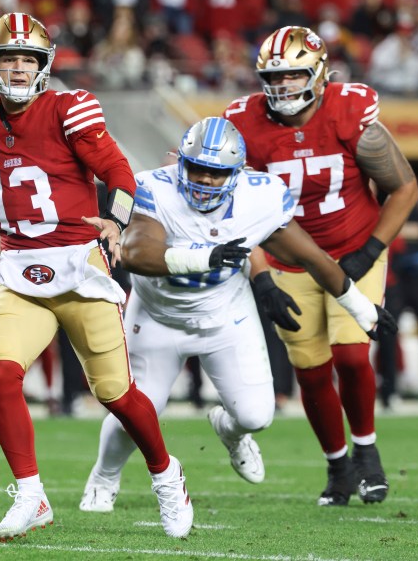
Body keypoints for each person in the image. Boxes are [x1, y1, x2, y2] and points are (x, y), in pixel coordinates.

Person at [0, 12, 194, 540]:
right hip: (21, 272)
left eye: (26, 59)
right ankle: (31, 494)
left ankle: (167, 475)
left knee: (117, 395)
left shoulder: (68, 108)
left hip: (79, 265)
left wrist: (116, 220)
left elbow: (118, 171)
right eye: (7, 58)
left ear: (43, 64)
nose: (16, 68)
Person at [79, 116, 397, 513]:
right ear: (181, 163)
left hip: (225, 315)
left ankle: (230, 432)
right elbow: (136, 253)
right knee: (138, 408)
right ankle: (104, 477)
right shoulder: (153, 187)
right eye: (197, 168)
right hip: (158, 316)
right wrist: (204, 256)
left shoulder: (259, 197)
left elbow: (311, 256)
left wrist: (361, 308)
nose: (206, 180)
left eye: (217, 172)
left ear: (238, 173)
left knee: (255, 415)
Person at [222, 25, 418, 506]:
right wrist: (262, 275)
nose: (283, 85)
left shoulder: (350, 112)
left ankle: (367, 452)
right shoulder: (244, 125)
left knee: (352, 355)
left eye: (293, 74)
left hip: (353, 250)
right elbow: (233, 213)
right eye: (274, 76)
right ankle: (337, 466)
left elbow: (404, 187)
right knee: (310, 370)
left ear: (319, 72)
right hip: (291, 263)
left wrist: (371, 250)